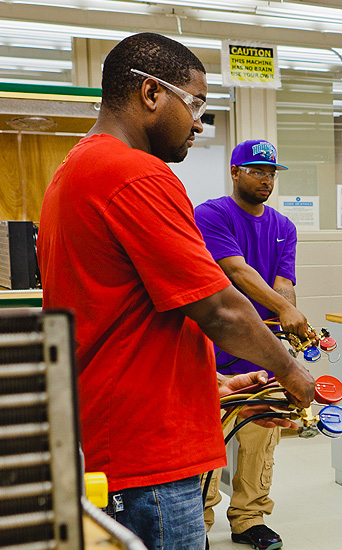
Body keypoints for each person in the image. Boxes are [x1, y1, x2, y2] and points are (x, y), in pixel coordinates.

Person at [37, 33, 314, 550]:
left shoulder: (75, 169)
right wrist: (292, 372)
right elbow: (221, 309)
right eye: (195, 103)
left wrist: (208, 382)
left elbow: (124, 314)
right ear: (150, 93)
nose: (199, 121)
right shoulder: (137, 173)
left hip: (116, 428)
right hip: (148, 451)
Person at [195, 139, 304, 550]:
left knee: (261, 440)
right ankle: (199, 522)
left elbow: (283, 282)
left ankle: (248, 518)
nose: (266, 178)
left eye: (272, 172)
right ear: (235, 171)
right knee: (210, 443)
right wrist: (281, 308)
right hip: (215, 349)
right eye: (258, 170)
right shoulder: (211, 215)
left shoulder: (284, 227)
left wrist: (288, 323)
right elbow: (236, 271)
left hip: (262, 352)